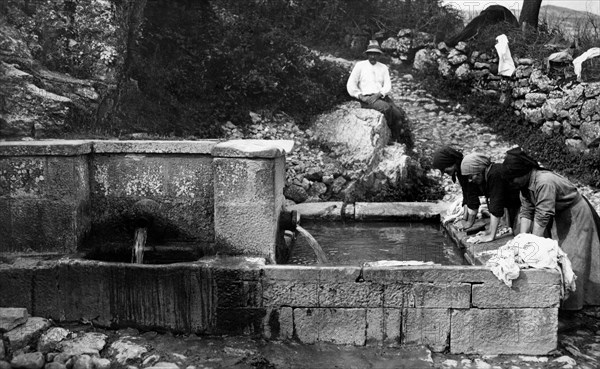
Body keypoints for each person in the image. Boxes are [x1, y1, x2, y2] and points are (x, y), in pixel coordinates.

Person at [502, 147, 600, 310]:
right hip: (560, 215)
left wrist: (532, 248)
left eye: (514, 179)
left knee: (576, 257)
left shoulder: (544, 181)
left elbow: (542, 215)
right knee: (559, 253)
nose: (512, 183)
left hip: (575, 214)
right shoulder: (524, 185)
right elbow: (526, 210)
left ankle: (575, 305)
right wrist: (521, 240)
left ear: (524, 172)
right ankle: (563, 300)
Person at [346, 40, 411, 147]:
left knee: (398, 115)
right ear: (367, 54)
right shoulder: (360, 66)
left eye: (375, 54)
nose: (373, 57)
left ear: (379, 55)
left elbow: (387, 86)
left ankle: (395, 139)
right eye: (371, 54)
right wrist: (360, 96)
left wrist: (379, 94)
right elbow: (351, 84)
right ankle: (387, 135)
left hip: (380, 96)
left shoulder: (383, 67)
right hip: (367, 98)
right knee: (386, 108)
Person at [461, 152, 521, 243]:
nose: (470, 180)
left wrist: (491, 236)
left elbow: (496, 205)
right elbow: (492, 202)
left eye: (470, 176)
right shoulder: (488, 175)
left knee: (520, 236)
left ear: (479, 171)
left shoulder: (495, 174)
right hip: (512, 205)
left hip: (522, 205)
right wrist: (489, 231)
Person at [432, 146, 482, 230]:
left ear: (452, 163)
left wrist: (469, 223)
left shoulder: (466, 169)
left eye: (445, 170)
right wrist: (464, 218)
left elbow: (473, 197)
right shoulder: (459, 170)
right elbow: (466, 194)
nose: (444, 173)